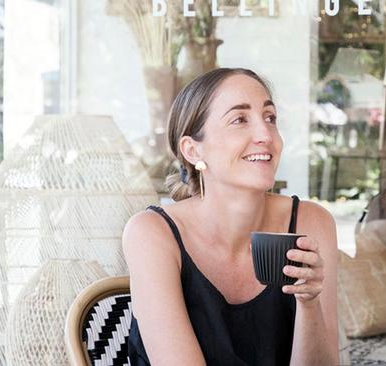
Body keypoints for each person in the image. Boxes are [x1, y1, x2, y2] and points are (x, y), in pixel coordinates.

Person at [123, 68, 338, 365]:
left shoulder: (311, 223)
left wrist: (309, 303)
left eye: (270, 118)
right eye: (239, 120)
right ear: (193, 150)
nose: (265, 135)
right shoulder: (152, 234)